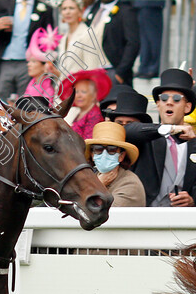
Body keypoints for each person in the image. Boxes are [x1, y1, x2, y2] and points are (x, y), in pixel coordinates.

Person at [125, 69, 196, 207]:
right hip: (146, 214)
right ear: (158, 105)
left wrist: (193, 200)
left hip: (182, 219)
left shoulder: (194, 143)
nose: (169, 102)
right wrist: (170, 129)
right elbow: (127, 131)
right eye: (164, 98)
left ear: (187, 107)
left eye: (176, 98)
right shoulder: (147, 136)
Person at [0, 0, 54, 101]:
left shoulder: (45, 9)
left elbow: (49, 38)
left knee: (26, 100)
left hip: (29, 63)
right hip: (5, 61)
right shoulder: (3, 4)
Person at [87, 0, 140, 86]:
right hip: (93, 71)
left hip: (112, 71)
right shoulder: (93, 10)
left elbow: (133, 43)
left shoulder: (126, 11)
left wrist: (120, 73)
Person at [50, 0, 106, 78]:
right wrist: (55, 72)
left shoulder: (87, 34)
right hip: (64, 89)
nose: (68, 12)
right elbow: (67, 72)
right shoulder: (64, 37)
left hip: (80, 90)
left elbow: (92, 70)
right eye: (64, 9)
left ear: (80, 12)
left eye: (71, 8)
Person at [84, 121, 144, 206]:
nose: (104, 155)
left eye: (111, 150)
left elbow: (103, 214)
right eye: (98, 149)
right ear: (92, 154)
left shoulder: (130, 183)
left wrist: (98, 185)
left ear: (121, 156)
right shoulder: (89, 177)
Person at [61, 69, 111, 140]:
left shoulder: (94, 114)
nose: (79, 96)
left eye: (83, 92)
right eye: (76, 92)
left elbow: (88, 140)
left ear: (94, 95)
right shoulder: (81, 113)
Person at [130, 0, 164, 80]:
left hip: (151, 2)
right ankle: (144, 67)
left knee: (152, 38)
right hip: (144, 3)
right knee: (144, 39)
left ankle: (152, 68)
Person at [23, 26, 60, 104]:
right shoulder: (31, 84)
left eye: (33, 62)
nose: (28, 65)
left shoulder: (49, 88)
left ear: (45, 66)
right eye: (29, 61)